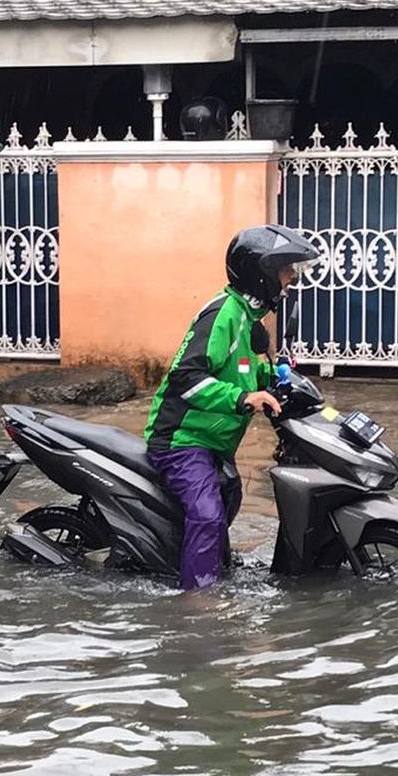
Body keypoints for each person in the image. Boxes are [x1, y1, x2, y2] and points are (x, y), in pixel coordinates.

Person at [144, 225, 319, 590]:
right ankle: (198, 599)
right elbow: (186, 378)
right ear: (262, 273)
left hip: (212, 443)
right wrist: (243, 399)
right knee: (208, 516)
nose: (290, 280)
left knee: (231, 495)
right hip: (182, 441)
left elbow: (240, 367)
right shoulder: (222, 314)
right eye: (286, 271)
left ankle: (206, 562)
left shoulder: (247, 317)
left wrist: (271, 377)